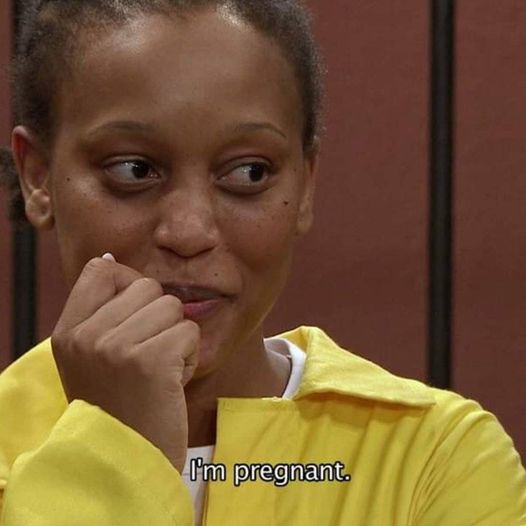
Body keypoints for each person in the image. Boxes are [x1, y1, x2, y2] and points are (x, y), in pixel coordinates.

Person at [0, 0, 525, 524]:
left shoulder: (435, 459)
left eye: (249, 172)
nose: (189, 232)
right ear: (38, 178)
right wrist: (110, 448)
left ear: (306, 185)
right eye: (134, 169)